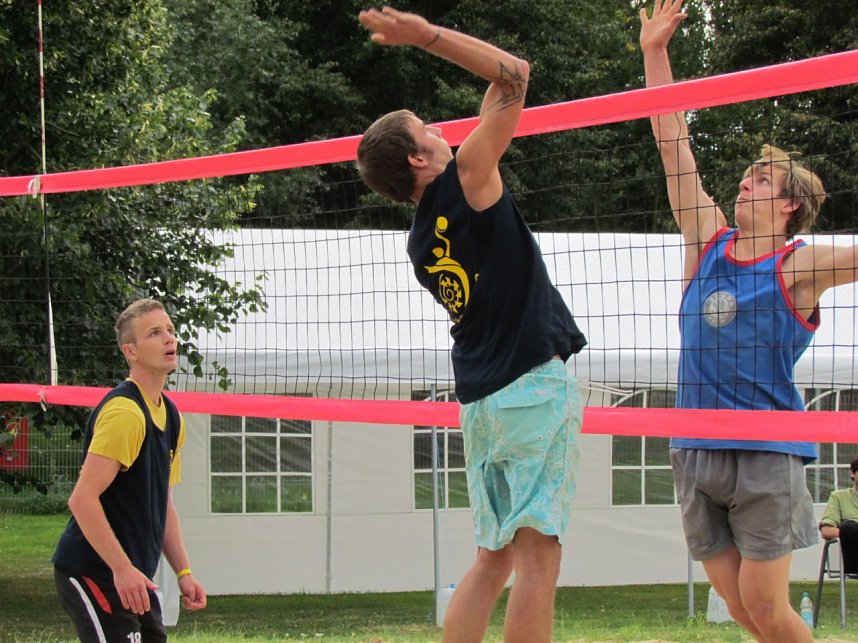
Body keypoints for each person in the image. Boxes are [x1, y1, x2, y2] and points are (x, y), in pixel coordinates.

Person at [356, 7, 586, 643]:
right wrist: (424, 35)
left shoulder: (419, 236)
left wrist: (479, 74)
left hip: (481, 401)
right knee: (539, 558)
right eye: (426, 126)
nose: (439, 127)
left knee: (493, 558)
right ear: (418, 154)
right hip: (532, 389)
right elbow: (515, 76)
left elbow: (497, 89)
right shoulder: (470, 174)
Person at [641, 1, 858, 641]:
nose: (745, 183)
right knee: (739, 611)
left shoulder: (800, 265)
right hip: (694, 446)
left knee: (766, 608)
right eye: (746, 175)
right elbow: (670, 140)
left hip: (766, 449)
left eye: (761, 181)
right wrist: (655, 52)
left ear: (791, 205)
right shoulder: (707, 237)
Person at [52, 298, 206, 642]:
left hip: (132, 576)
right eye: (154, 333)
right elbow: (82, 500)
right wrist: (121, 569)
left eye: (170, 330)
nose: (169, 339)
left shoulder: (171, 415)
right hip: (92, 570)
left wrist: (183, 572)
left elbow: (162, 505)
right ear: (131, 352)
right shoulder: (126, 414)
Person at [819, 457, 858, 574]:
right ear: (852, 473)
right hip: (854, 559)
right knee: (847, 526)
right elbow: (826, 531)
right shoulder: (839, 497)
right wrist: (850, 532)